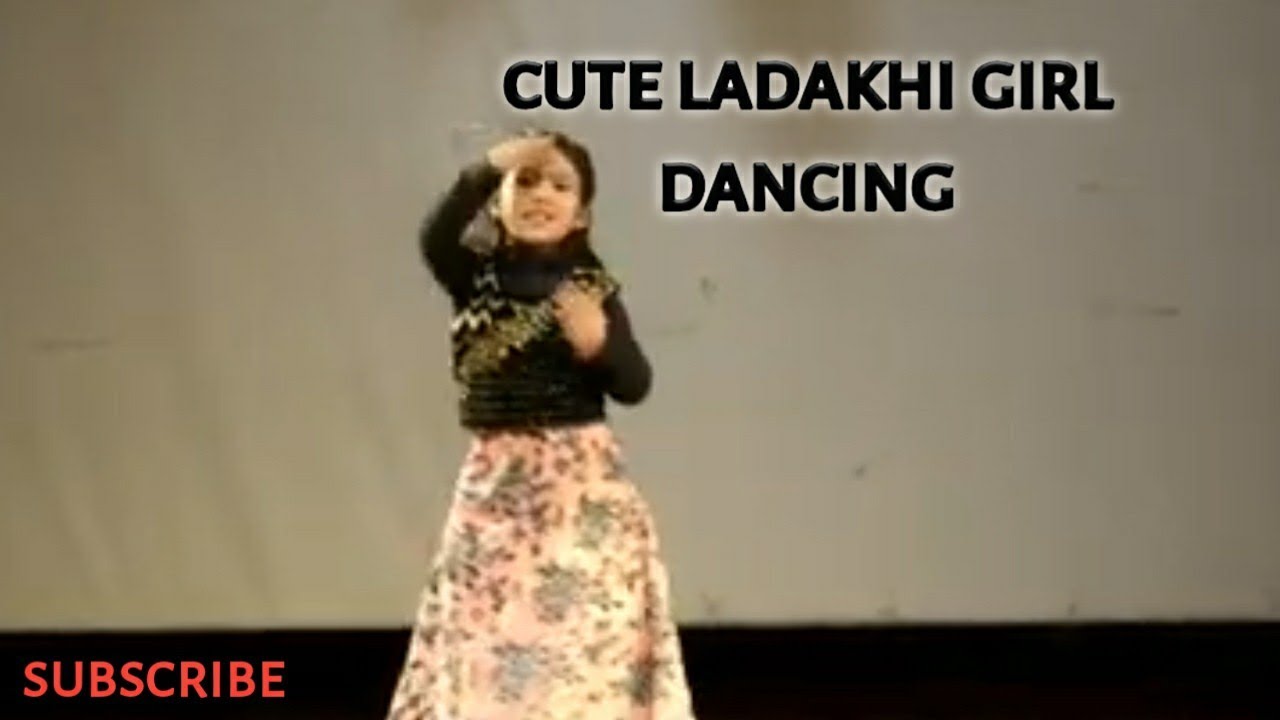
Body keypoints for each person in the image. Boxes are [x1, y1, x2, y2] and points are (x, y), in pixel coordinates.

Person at [386, 130, 697, 719]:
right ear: (497, 202)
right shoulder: (472, 276)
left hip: (580, 492)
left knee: (580, 642)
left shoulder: (590, 290)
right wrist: (491, 164)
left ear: (581, 214)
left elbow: (634, 384)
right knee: (487, 635)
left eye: (559, 185)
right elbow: (437, 236)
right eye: (525, 181)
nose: (540, 194)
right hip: (497, 487)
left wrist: (600, 345)